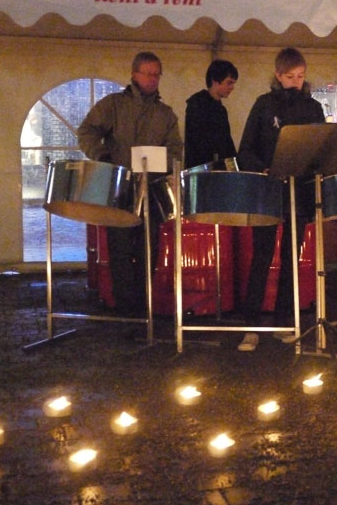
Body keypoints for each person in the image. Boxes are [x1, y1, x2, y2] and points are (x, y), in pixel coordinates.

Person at [77, 51, 183, 315]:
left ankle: (144, 308)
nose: (153, 78)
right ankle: (125, 309)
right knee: (120, 250)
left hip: (152, 190)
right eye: (148, 73)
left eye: (157, 74)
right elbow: (87, 131)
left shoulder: (166, 114)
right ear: (134, 75)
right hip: (120, 188)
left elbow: (176, 150)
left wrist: (164, 164)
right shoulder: (113, 105)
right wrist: (102, 156)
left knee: (149, 250)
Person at [236, 48, 325, 351]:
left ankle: (284, 319)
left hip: (299, 192)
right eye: (290, 77)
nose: (296, 82)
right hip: (267, 191)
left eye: (300, 77)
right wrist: (263, 168)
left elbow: (320, 149)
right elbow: (245, 150)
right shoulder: (264, 105)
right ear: (277, 75)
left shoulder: (313, 108)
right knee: (261, 257)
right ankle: (251, 326)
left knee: (291, 259)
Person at [184, 59, 238, 169]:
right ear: (215, 81)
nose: (232, 87)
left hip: (215, 170)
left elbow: (227, 143)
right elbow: (199, 144)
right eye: (229, 83)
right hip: (202, 170)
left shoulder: (221, 110)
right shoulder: (197, 105)